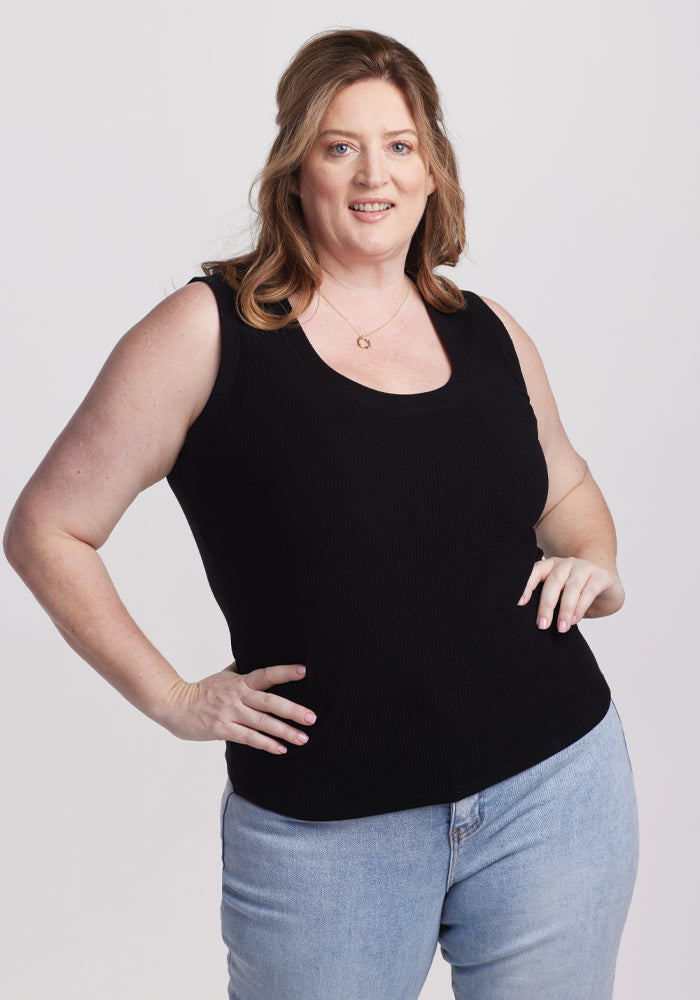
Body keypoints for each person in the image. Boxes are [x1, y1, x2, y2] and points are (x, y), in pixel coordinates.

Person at [4, 27, 638, 1000]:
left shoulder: (489, 333)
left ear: (431, 171)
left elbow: (568, 492)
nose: (371, 173)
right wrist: (174, 698)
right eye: (340, 144)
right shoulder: (207, 332)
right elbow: (48, 527)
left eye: (398, 144)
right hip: (327, 836)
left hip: (554, 792)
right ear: (295, 166)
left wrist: (595, 561)